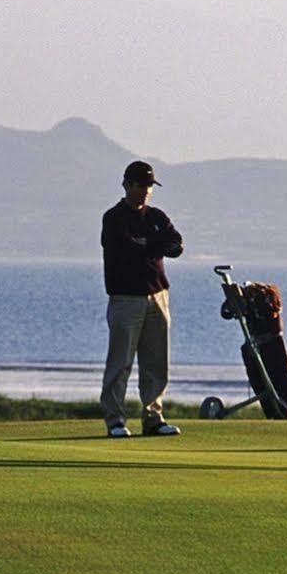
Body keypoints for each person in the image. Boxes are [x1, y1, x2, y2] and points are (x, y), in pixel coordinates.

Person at [99, 159, 183, 438]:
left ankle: (153, 418)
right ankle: (115, 420)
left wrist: (148, 244)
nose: (146, 190)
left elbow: (176, 246)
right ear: (127, 185)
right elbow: (126, 249)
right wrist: (153, 244)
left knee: (156, 362)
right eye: (141, 185)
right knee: (120, 362)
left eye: (149, 186)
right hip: (126, 299)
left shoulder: (157, 216)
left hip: (158, 295)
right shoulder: (113, 218)